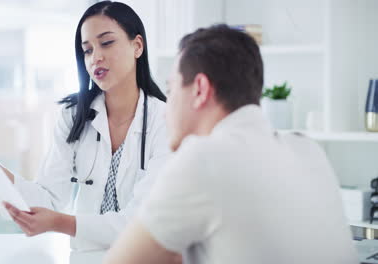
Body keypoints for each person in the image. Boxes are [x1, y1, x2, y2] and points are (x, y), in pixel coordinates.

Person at [104, 24, 358, 264]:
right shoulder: (308, 149)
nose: (164, 112)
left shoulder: (203, 159)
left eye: (171, 91)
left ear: (200, 89)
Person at [0, 1, 170, 263]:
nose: (96, 58)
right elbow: (48, 199)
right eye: (87, 50)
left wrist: (58, 223)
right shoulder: (74, 116)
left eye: (107, 43)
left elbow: (141, 223)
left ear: (137, 46)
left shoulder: (166, 121)